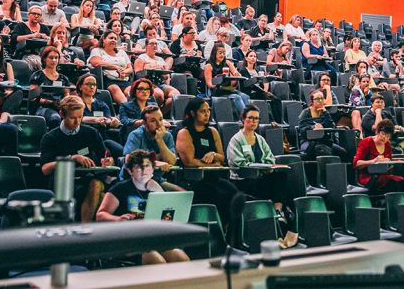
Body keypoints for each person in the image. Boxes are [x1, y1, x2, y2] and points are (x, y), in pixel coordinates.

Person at [95, 149, 190, 264]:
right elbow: (100, 215)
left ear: (153, 169)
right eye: (139, 167)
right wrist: (118, 219)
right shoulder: (120, 189)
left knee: (180, 258)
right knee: (157, 261)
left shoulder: (157, 188)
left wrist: (158, 190)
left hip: (154, 238)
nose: (144, 170)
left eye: (147, 165)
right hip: (129, 240)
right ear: (130, 171)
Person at [174, 97, 246, 239]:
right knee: (217, 196)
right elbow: (189, 162)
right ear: (193, 113)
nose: (207, 114)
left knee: (235, 194)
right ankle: (217, 234)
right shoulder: (184, 133)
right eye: (203, 111)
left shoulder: (213, 131)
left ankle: (233, 236)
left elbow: (222, 158)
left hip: (213, 178)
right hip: (194, 180)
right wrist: (212, 164)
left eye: (208, 111)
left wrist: (213, 154)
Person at [40, 96, 115, 222]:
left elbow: (106, 156)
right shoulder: (50, 137)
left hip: (88, 176)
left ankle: (86, 227)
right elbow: (45, 169)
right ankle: (86, 227)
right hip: (63, 180)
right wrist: (72, 158)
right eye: (72, 118)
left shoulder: (91, 132)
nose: (77, 122)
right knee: (99, 191)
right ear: (62, 115)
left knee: (98, 186)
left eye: (80, 117)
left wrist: (107, 161)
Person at [227, 104, 293, 217]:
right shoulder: (236, 140)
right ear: (243, 119)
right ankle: (284, 211)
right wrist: (259, 167)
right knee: (274, 186)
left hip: (260, 177)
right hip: (243, 181)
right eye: (251, 118)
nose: (254, 121)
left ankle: (278, 211)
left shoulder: (260, 139)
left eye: (256, 118)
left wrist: (266, 167)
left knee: (281, 176)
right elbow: (239, 163)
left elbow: (270, 157)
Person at [121, 106, 181, 191]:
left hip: (157, 179)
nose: (159, 124)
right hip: (134, 180)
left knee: (183, 194)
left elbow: (171, 161)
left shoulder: (167, 136)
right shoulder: (135, 135)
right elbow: (129, 161)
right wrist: (154, 163)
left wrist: (160, 140)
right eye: (153, 121)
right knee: (158, 191)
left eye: (160, 119)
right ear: (144, 123)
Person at [354, 120, 404, 195]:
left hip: (384, 176)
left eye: (388, 136)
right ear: (378, 132)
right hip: (368, 177)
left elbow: (389, 164)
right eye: (383, 134)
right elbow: (356, 164)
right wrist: (373, 161)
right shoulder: (367, 142)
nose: (385, 138)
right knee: (394, 185)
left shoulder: (387, 144)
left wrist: (388, 162)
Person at [297, 88, 348, 162]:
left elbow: (332, 126)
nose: (320, 101)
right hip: (308, 141)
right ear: (312, 101)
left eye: (322, 98)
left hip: (324, 141)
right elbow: (302, 130)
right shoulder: (305, 113)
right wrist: (313, 127)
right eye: (317, 99)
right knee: (323, 150)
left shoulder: (325, 113)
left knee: (343, 152)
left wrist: (325, 113)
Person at [29, 46, 72, 127]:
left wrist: (63, 104)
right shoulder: (38, 75)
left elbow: (67, 96)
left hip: (60, 107)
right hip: (41, 107)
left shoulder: (63, 78)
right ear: (44, 59)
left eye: (56, 58)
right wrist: (50, 102)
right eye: (51, 58)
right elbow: (33, 97)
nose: (54, 60)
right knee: (55, 118)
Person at [203, 44, 249, 118]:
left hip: (229, 89)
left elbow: (237, 74)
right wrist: (217, 81)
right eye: (220, 53)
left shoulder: (227, 63)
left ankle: (250, 116)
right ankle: (245, 118)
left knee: (245, 96)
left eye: (224, 53)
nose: (222, 55)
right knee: (237, 97)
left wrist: (236, 74)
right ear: (214, 53)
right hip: (217, 91)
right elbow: (209, 84)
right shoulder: (209, 66)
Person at [88, 30, 133, 104]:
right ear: (104, 40)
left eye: (115, 39)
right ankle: (127, 107)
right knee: (115, 89)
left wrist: (123, 72)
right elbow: (96, 62)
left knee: (130, 91)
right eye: (111, 38)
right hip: (107, 80)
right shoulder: (97, 50)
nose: (113, 40)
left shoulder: (122, 52)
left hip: (124, 79)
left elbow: (130, 68)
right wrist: (115, 67)